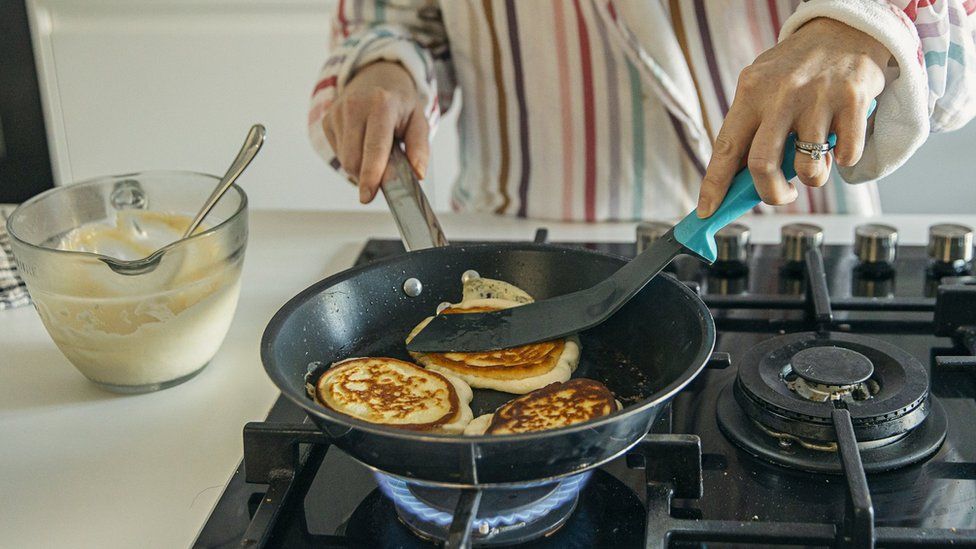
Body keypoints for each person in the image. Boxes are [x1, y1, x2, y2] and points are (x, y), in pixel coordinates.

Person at [308, 1, 976, 222]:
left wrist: (858, 25)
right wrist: (384, 69)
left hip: (791, 226)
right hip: (518, 244)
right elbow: (396, 16)